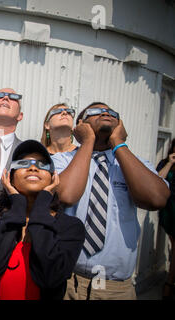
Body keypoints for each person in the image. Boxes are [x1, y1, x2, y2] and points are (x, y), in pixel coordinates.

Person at [52, 102, 170, 300]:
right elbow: (67, 196)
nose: (105, 113)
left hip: (115, 289)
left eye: (111, 113)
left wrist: (118, 144)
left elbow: (156, 199)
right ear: (80, 125)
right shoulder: (62, 161)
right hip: (68, 282)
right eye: (96, 112)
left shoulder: (135, 164)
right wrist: (88, 141)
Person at [0, 140, 85, 300]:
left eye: (42, 164)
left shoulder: (70, 227)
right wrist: (17, 206)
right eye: (23, 163)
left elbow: (50, 278)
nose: (33, 167)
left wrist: (41, 207)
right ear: (9, 177)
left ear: (53, 178)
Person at [156, 138, 175, 299]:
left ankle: (170, 281)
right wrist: (170, 163)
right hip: (170, 210)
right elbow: (157, 181)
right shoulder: (165, 163)